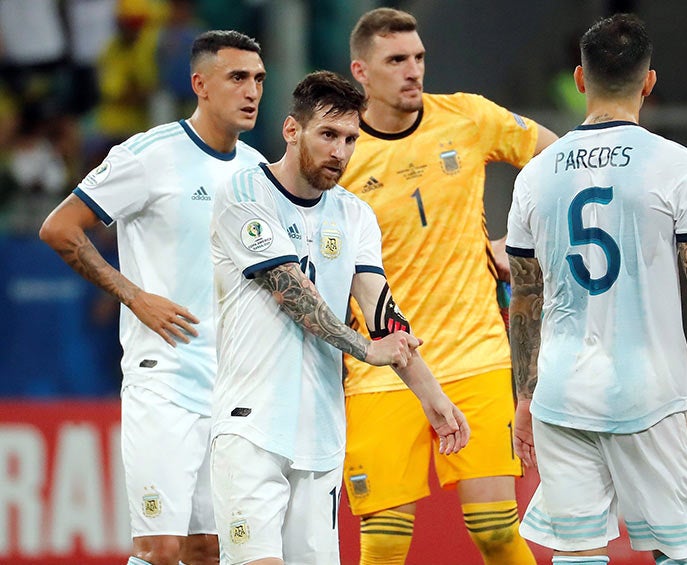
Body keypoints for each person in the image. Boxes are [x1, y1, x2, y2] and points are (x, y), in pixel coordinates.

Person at [506, 14, 687, 565]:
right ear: (650, 82)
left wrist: (524, 396)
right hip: (650, 392)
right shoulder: (679, 166)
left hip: (563, 391)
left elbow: (525, 297)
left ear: (579, 79)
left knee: (577, 554)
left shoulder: (535, 174)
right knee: (679, 552)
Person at [209, 70, 469, 565]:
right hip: (251, 426)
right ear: (292, 130)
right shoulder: (244, 192)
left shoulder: (354, 214)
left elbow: (382, 313)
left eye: (350, 139)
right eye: (328, 135)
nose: (341, 152)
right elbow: (291, 290)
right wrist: (366, 349)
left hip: (322, 434)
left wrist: (432, 396)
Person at [38, 30, 267, 565]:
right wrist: (135, 296)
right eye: (237, 77)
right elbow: (59, 227)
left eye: (259, 79)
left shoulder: (258, 171)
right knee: (159, 548)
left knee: (210, 549)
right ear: (200, 84)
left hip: (232, 386)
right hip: (164, 378)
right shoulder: (149, 155)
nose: (252, 91)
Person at [339, 7, 558, 564]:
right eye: (396, 60)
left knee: (496, 532)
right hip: (382, 365)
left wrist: (518, 242)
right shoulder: (339, 148)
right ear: (361, 71)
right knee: (383, 547)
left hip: (475, 354)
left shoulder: (467, 117)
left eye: (418, 57)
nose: (413, 70)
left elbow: (559, 160)